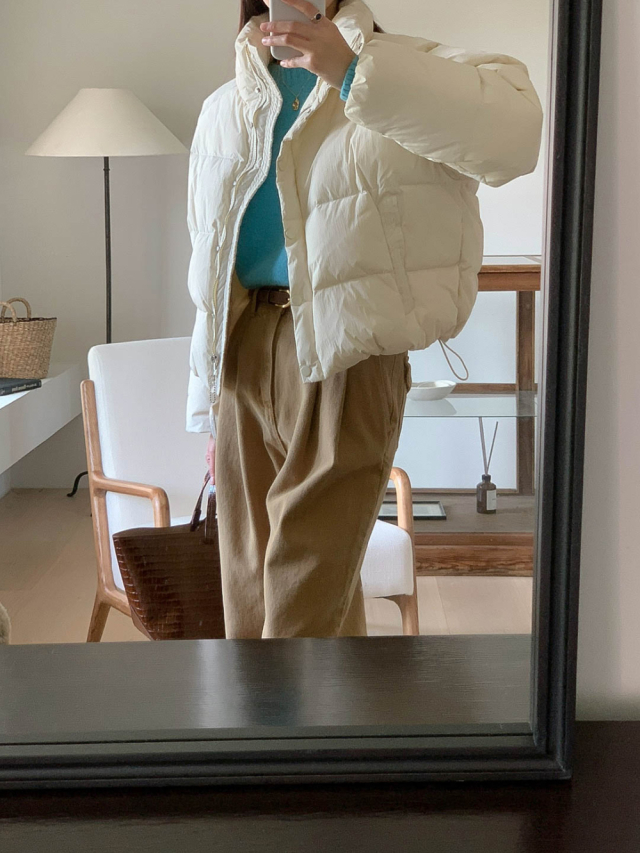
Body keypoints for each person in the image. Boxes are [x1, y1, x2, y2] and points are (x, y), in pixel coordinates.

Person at [185, 0, 543, 639]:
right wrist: (207, 409)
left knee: (303, 588)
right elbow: (211, 272)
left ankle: (277, 708)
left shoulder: (408, 68)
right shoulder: (223, 108)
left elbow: (516, 139)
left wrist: (352, 70)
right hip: (243, 353)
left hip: (347, 348)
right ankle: (308, 705)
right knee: (250, 585)